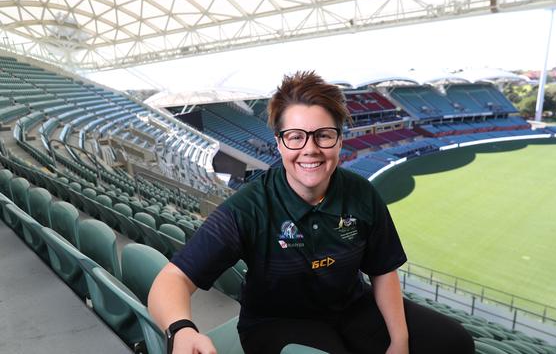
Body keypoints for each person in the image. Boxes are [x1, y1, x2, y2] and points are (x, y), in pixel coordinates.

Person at [148, 71, 475, 354]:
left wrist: (399, 340)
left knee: (454, 342)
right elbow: (173, 279)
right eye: (295, 137)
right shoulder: (250, 207)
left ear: (339, 140)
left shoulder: (361, 194)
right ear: (279, 143)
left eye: (323, 135)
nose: (310, 148)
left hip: (352, 308)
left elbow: (382, 270)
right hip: (277, 321)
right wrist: (182, 329)